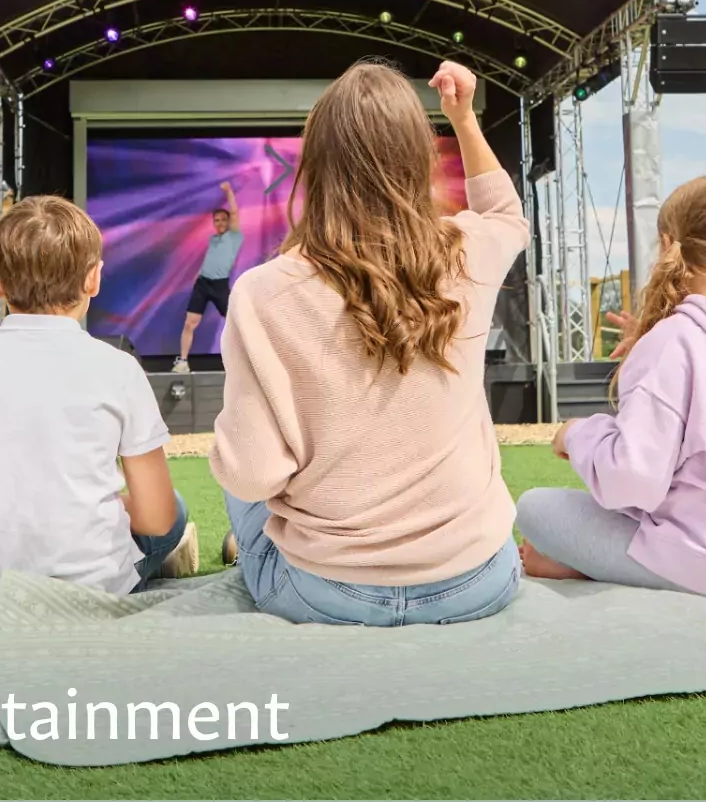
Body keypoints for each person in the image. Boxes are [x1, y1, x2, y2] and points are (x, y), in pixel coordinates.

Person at [210, 59, 530, 626]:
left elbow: (252, 476)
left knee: (238, 461)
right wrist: (462, 117)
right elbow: (505, 212)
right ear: (417, 159)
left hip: (325, 593)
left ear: (316, 164)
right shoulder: (468, 251)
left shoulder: (262, 292)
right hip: (478, 580)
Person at [0, 195, 199, 603]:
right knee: (174, 508)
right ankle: (158, 564)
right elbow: (156, 517)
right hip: (90, 588)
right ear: (94, 279)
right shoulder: (120, 370)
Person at [518, 175, 706, 600]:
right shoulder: (689, 338)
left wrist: (578, 434)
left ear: (667, 243)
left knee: (535, 508)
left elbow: (632, 483)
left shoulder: (671, 342)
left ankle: (582, 569)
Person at [172, 182, 243, 375]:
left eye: (223, 220)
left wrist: (228, 191)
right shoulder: (213, 239)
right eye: (216, 221)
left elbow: (235, 213)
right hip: (203, 283)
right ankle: (183, 362)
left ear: (229, 222)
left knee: (235, 323)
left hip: (220, 286)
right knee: (190, 323)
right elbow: (211, 258)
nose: (219, 223)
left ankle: (243, 362)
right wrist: (198, 274)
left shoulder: (235, 236)